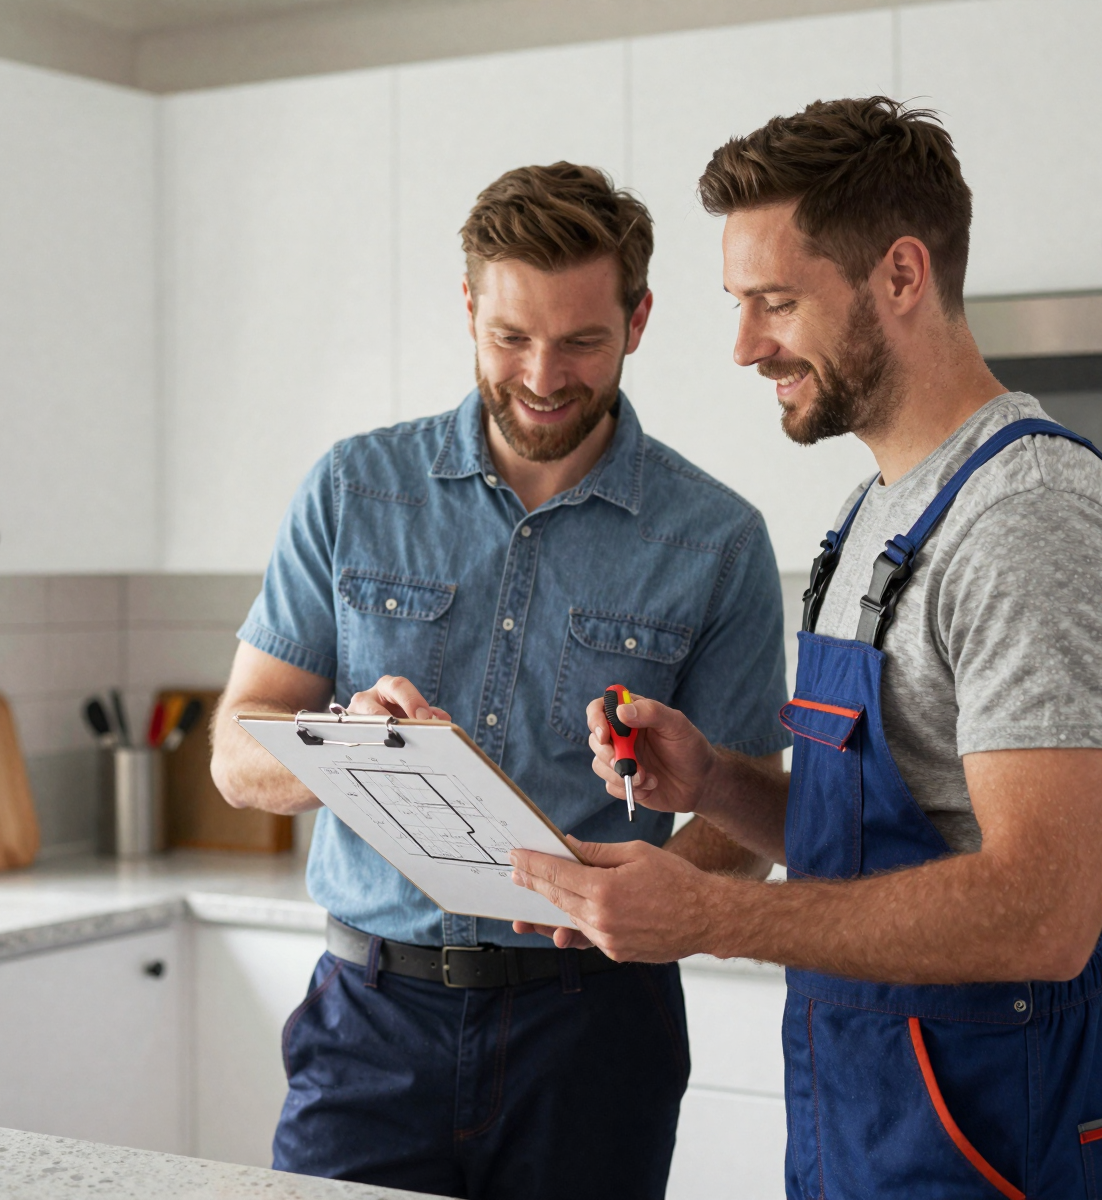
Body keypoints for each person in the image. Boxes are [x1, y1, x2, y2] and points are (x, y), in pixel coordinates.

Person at [510, 99, 1102, 1199]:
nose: (742, 345)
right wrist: (716, 783)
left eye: (774, 301)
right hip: (874, 1108)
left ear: (901, 276)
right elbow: (886, 834)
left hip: (1001, 1125)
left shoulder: (1029, 522)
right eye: (737, 303)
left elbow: (1044, 912)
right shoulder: (880, 510)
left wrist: (713, 914)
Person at [209, 162, 791, 1200]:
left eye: (580, 341)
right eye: (510, 336)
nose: (541, 375)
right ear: (468, 306)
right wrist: (349, 743)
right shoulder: (353, 489)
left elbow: (744, 816)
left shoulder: (717, 542)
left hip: (597, 1027)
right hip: (370, 1016)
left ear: (640, 319)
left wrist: (640, 898)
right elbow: (235, 753)